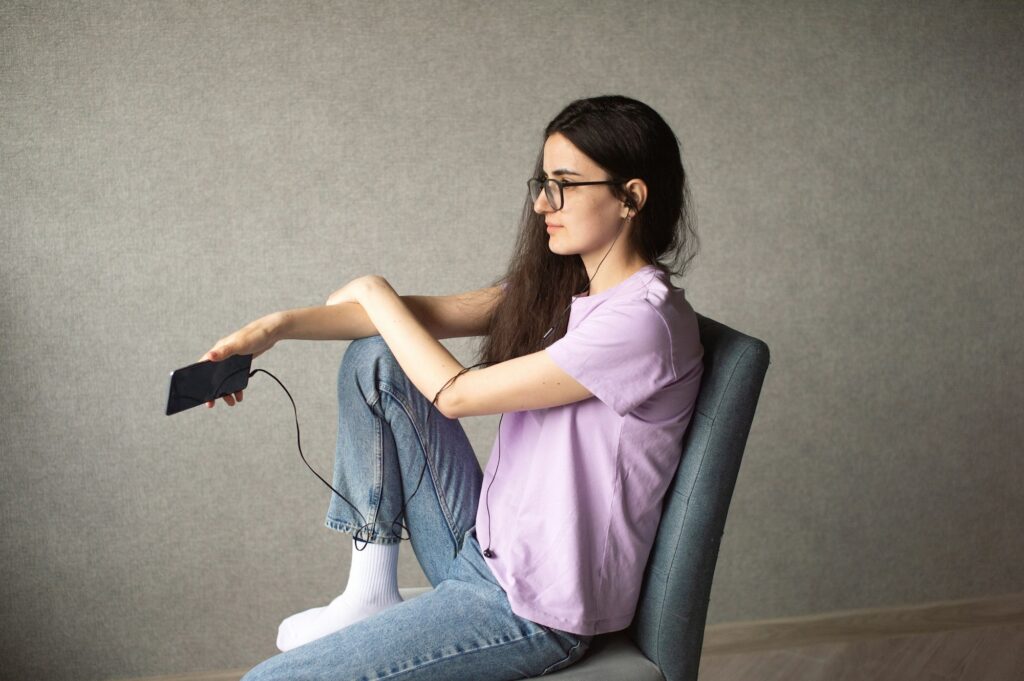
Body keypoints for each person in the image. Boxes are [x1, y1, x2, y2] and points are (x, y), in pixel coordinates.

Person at [201, 94, 704, 680]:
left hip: (535, 607)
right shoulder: (569, 288)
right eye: (542, 182)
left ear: (631, 198)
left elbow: (457, 394)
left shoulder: (643, 322)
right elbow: (402, 321)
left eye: (564, 184)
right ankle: (370, 587)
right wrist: (274, 329)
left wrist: (372, 290)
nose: (543, 202)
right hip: (480, 542)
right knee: (378, 358)